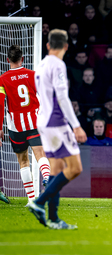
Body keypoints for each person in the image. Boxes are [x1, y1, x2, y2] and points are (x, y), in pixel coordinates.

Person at [28, 29, 87, 230]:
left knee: (55, 170)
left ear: (47, 45)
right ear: (66, 47)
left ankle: (53, 219)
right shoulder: (58, 65)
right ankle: (39, 201)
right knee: (75, 168)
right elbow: (62, 97)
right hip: (56, 122)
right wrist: (76, 125)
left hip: (42, 121)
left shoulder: (41, 65)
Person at [0, 45, 51, 205]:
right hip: (34, 122)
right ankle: (47, 177)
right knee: (40, 154)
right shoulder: (33, 75)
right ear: (23, 59)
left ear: (7, 60)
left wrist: (0, 127)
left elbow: (1, 104)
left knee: (23, 161)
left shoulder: (3, 79)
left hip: (16, 126)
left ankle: (30, 199)